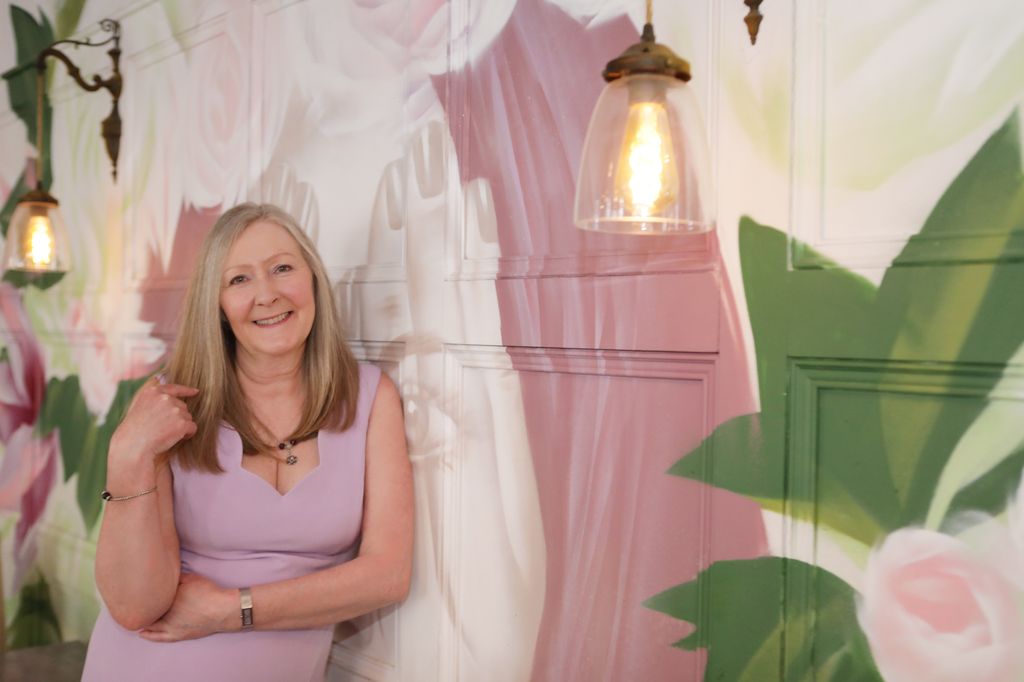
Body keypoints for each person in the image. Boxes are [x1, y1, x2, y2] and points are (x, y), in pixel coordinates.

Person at [81, 203, 413, 681]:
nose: (266, 294)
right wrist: (127, 455)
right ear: (216, 305)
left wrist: (231, 610)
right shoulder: (172, 405)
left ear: (313, 279)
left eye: (282, 268)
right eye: (238, 280)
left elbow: (387, 576)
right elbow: (134, 606)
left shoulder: (371, 398)